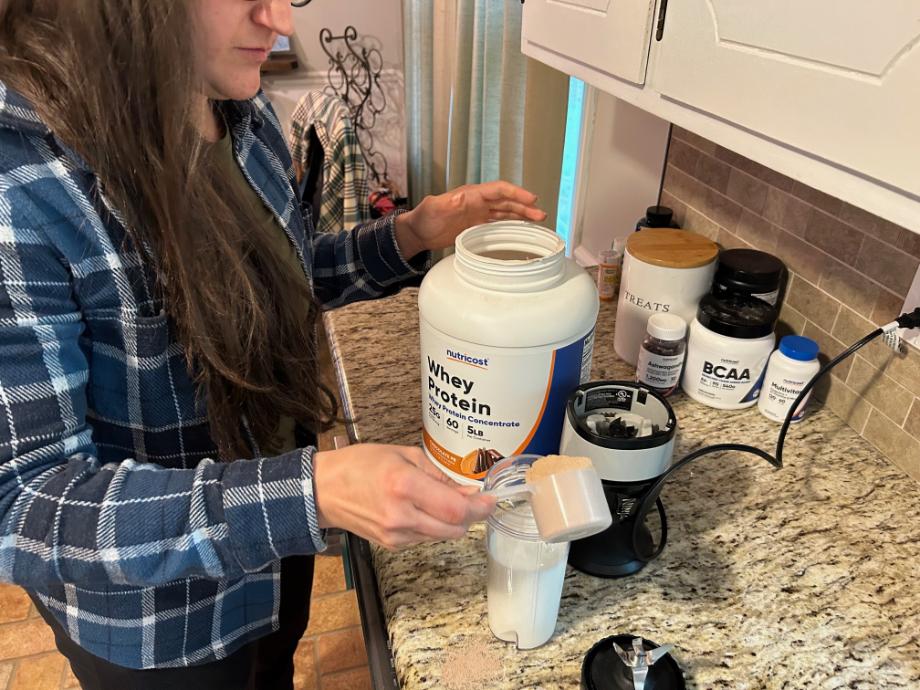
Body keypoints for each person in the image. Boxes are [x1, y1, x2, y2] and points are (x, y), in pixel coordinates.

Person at [0, 1, 546, 687]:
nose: (281, 20)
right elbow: (24, 506)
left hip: (270, 550)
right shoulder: (20, 190)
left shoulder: (239, 115)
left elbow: (272, 283)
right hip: (165, 627)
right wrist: (307, 496)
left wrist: (409, 234)